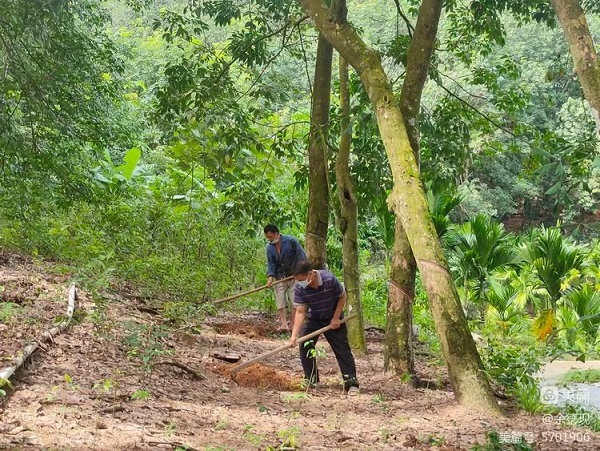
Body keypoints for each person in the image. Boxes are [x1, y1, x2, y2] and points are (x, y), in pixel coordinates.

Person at [289, 260, 360, 395]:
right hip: (314, 318)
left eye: (302, 280)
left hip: (333, 317)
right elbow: (300, 311)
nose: (300, 283)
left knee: (342, 350)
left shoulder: (329, 279)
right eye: (298, 280)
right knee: (305, 345)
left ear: (310, 274)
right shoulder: (299, 287)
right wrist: (294, 336)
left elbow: (342, 297)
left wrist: (336, 317)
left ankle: (351, 383)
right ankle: (311, 379)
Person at [264, 224, 306, 332]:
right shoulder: (269, 247)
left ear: (276, 234)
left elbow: (301, 256)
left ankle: (293, 325)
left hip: (293, 276)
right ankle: (283, 324)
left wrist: (299, 272)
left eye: (270, 237)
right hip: (280, 277)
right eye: (267, 237)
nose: (269, 239)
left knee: (295, 301)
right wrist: (270, 277)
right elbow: (271, 264)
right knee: (280, 301)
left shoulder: (291, 241)